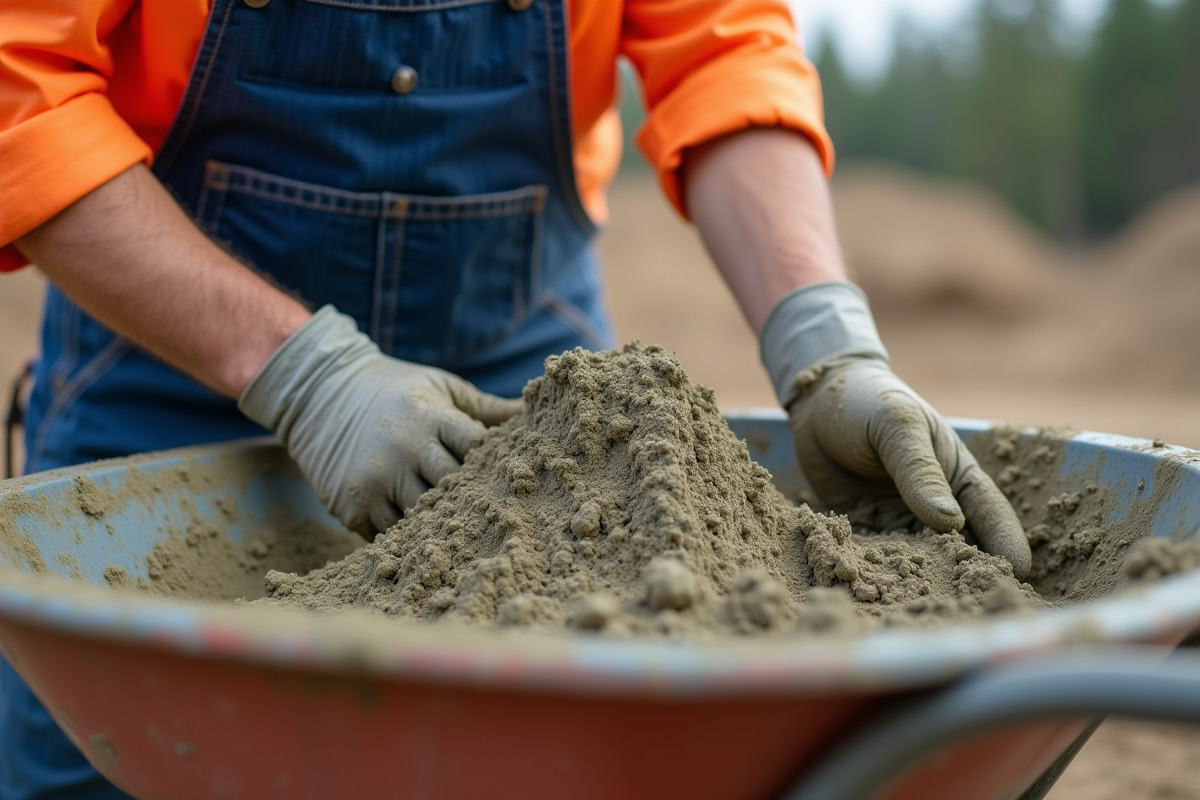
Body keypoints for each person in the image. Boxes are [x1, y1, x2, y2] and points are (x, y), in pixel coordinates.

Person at [0, 1, 1031, 797]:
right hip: (171, 366)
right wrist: (304, 375)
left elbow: (720, 48)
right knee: (99, 752)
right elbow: (22, 81)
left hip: (532, 403)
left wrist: (825, 345)